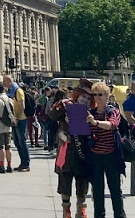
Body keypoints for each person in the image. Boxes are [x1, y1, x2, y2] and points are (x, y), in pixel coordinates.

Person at [48, 79, 93, 218]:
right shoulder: (67, 105)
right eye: (83, 96)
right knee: (65, 180)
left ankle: (81, 210)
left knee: (82, 182)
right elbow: (52, 115)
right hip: (66, 151)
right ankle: (66, 210)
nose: (85, 100)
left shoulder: (92, 112)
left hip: (83, 152)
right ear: (77, 95)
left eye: (88, 98)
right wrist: (62, 108)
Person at [86, 81, 126, 218]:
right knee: (97, 192)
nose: (97, 97)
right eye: (95, 95)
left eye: (100, 94)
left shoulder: (113, 111)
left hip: (111, 156)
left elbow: (113, 124)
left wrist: (95, 123)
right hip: (95, 157)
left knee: (115, 190)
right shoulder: (90, 113)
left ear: (107, 96)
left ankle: (119, 216)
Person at [3, 75, 30, 171]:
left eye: (4, 81)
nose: (3, 83)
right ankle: (22, 163)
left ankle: (26, 164)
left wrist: (17, 117)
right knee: (17, 142)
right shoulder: (10, 91)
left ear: (9, 81)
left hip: (20, 119)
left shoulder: (18, 91)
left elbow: (22, 106)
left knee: (22, 141)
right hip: (14, 120)